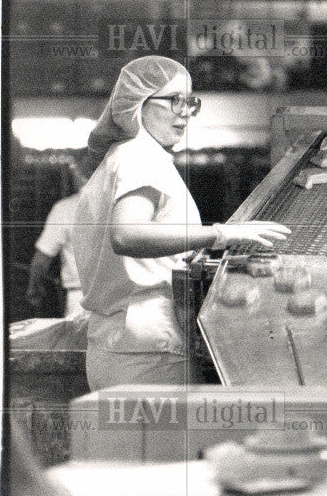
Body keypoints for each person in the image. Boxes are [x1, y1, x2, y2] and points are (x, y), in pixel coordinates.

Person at [74, 56, 290, 391]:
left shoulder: (121, 157)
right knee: (166, 444)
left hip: (123, 342)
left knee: (136, 445)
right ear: (139, 103)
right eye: (175, 101)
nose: (185, 111)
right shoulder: (138, 156)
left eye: (190, 102)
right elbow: (127, 235)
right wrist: (220, 234)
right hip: (146, 347)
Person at [26, 154, 97, 319]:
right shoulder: (122, 206)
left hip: (80, 300)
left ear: (78, 174)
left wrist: (34, 290)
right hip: (119, 301)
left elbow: (42, 258)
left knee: (80, 345)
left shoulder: (65, 209)